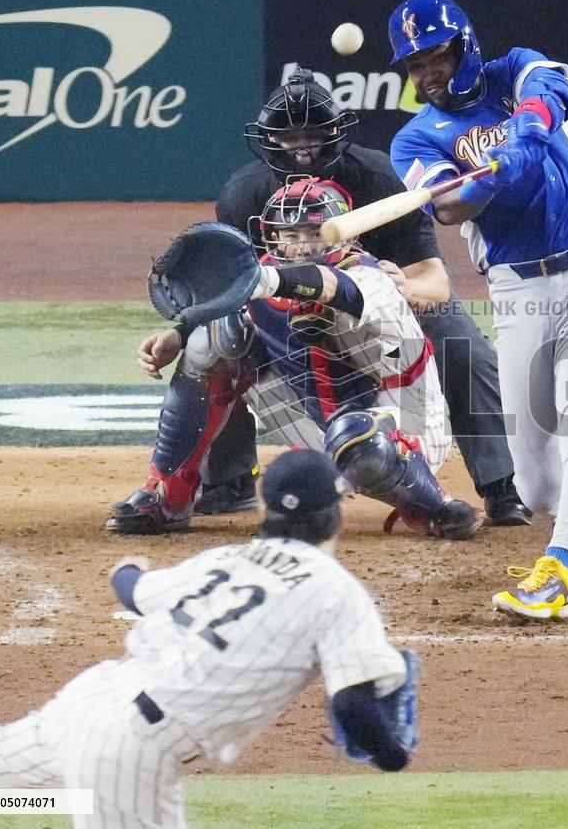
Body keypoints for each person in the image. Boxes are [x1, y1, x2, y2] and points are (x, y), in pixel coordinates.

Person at [0, 449, 418, 829]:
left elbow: (132, 590)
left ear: (268, 508)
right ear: (334, 513)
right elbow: (354, 703)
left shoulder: (222, 560)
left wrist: (127, 567)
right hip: (133, 749)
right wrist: (392, 756)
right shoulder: (335, 591)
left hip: (90, 702)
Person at [180, 66, 530, 527]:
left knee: (461, 342)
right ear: (267, 139)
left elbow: (434, 281)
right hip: (289, 313)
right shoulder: (244, 196)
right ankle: (228, 482)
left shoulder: (380, 177)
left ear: (335, 132)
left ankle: (502, 488)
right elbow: (231, 288)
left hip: (385, 304)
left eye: (314, 132)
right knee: (213, 342)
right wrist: (178, 333)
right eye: (287, 135)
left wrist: (401, 288)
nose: (301, 144)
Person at [386, 0, 568, 620]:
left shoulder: (515, 69)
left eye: (433, 56)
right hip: (519, 292)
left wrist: (525, 134)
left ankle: (562, 566)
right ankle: (565, 533)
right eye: (412, 66)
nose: (425, 74)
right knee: (534, 481)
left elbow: (553, 90)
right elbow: (445, 207)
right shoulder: (413, 139)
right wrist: (489, 177)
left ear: (462, 45)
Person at [108, 177, 482, 542]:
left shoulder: (372, 276)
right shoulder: (263, 277)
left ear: (342, 233)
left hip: (405, 423)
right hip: (314, 424)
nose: (301, 246)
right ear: (272, 236)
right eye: (291, 235)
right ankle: (168, 494)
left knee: (357, 435)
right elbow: (226, 310)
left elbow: (332, 285)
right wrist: (178, 335)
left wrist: (267, 280)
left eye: (313, 233)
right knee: (213, 342)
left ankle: (433, 504)